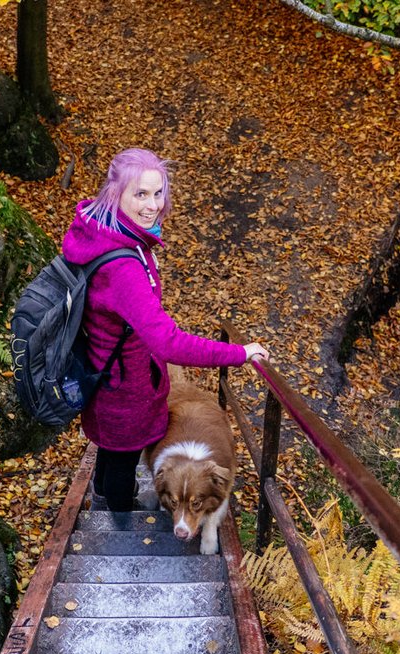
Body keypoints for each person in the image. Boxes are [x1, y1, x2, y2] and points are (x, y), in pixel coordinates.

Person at [61, 147, 270, 511]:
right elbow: (169, 342)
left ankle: (99, 495)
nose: (153, 205)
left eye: (158, 193)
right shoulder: (123, 266)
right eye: (140, 193)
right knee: (123, 461)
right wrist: (239, 353)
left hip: (105, 374)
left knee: (110, 449)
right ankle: (119, 511)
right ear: (116, 193)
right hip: (124, 390)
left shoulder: (103, 232)